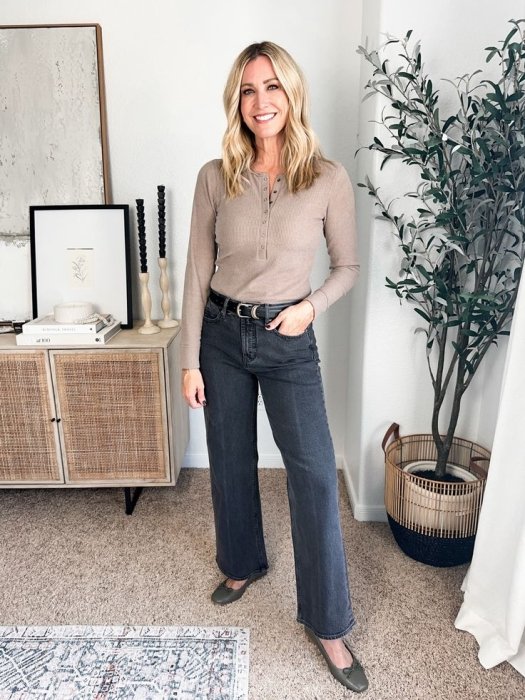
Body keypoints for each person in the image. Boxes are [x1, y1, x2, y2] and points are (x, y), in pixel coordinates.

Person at [181, 41, 368, 693]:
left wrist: (309, 308)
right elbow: (197, 271)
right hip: (220, 336)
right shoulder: (215, 176)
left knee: (313, 475)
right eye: (248, 90)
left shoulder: (327, 178)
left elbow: (347, 266)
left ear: (291, 94)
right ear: (236, 101)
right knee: (229, 460)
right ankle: (241, 563)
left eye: (272, 87)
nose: (260, 102)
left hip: (288, 341)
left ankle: (328, 623)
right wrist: (189, 360)